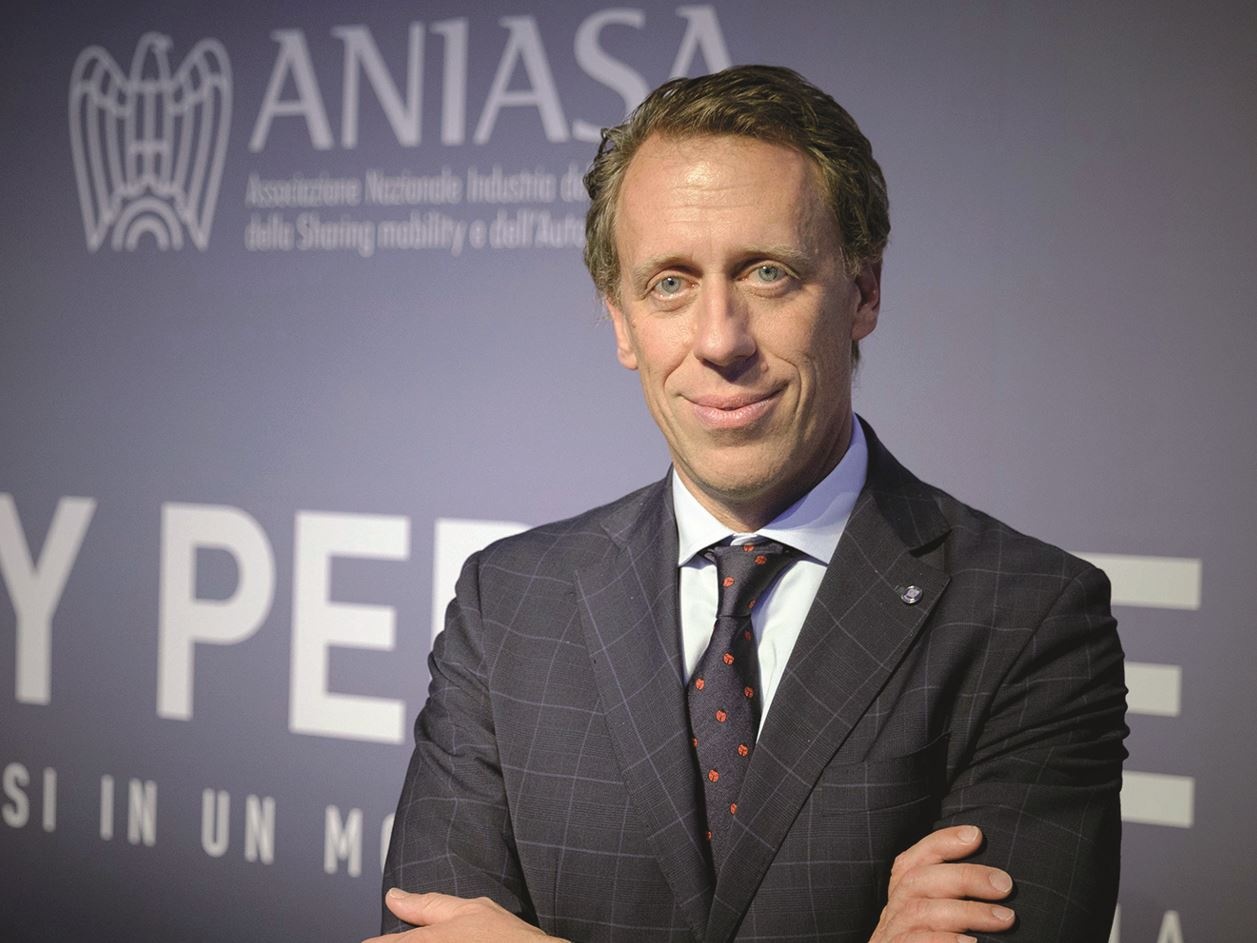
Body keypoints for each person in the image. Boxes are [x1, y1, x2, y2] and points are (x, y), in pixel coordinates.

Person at [370, 66, 1127, 942]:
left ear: (863, 291)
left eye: (767, 273)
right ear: (620, 321)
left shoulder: (1030, 616)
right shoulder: (507, 603)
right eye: (669, 283)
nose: (719, 340)